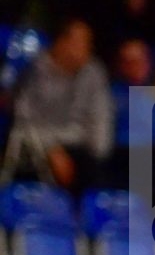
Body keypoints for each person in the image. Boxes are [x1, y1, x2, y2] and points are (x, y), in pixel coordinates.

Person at [8, 17, 112, 194]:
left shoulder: (94, 73)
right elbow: (23, 120)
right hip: (37, 148)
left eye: (86, 43)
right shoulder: (36, 70)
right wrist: (50, 150)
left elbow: (101, 121)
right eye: (77, 42)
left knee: (98, 176)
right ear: (61, 42)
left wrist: (95, 156)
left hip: (80, 149)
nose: (83, 48)